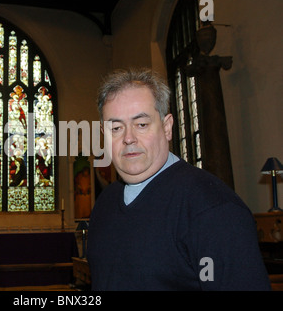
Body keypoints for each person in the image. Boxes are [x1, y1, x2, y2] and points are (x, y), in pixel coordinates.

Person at [86, 67, 271, 291]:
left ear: (167, 127)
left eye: (141, 124)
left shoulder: (213, 209)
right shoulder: (105, 204)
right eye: (116, 128)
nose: (128, 138)